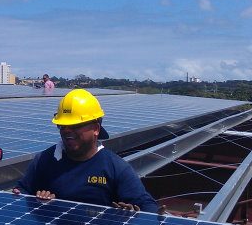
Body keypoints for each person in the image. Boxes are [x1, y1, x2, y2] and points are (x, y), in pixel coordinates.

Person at [12, 89, 159, 213]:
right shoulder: (45, 160)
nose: (67, 131)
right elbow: (22, 191)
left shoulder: (115, 168)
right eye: (62, 126)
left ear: (96, 129)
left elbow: (147, 206)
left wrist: (135, 213)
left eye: (75, 125)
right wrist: (35, 201)